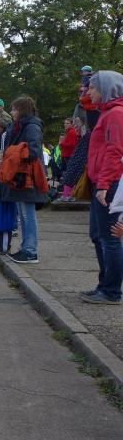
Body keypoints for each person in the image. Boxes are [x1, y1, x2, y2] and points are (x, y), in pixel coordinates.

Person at [83, 70, 123, 304]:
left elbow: (115, 152)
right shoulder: (107, 112)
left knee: (109, 238)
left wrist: (104, 185)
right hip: (102, 182)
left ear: (106, 88)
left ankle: (111, 291)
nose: (88, 91)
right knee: (98, 236)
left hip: (108, 184)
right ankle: (104, 285)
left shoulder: (115, 114)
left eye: (92, 87)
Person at [0, 96, 47, 264]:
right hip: (21, 176)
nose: (11, 112)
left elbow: (33, 151)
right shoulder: (21, 126)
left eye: (14, 109)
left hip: (27, 177)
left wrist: (13, 153)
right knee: (23, 215)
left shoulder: (32, 126)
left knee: (28, 215)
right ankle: (26, 247)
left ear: (21, 110)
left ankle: (31, 251)